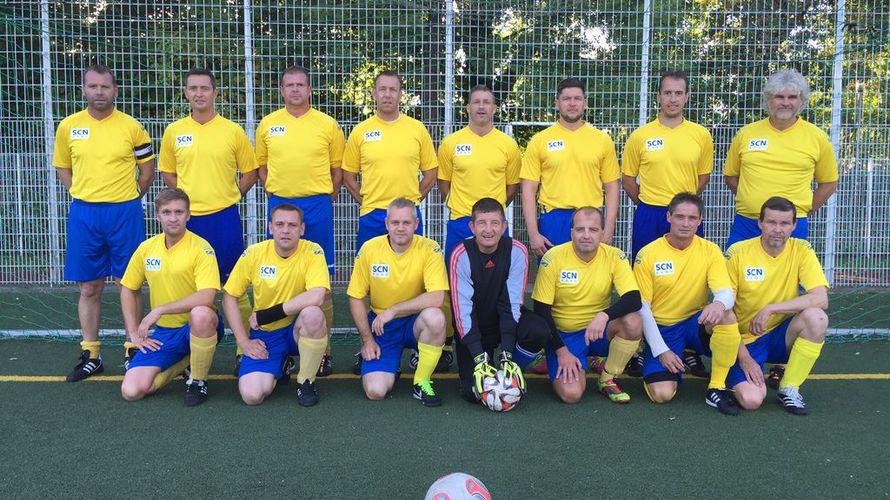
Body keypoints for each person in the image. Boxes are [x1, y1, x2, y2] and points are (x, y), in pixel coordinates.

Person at [53, 64, 155, 382]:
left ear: (115, 90)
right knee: (89, 286)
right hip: (85, 214)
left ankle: (133, 348)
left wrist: (129, 197)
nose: (99, 92)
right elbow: (63, 167)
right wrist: (79, 193)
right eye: (93, 86)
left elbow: (147, 171)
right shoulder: (69, 126)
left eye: (105, 86)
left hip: (124, 213)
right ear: (83, 89)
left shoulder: (132, 127)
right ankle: (91, 354)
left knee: (129, 284)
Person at [158, 68, 257, 373]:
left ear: (216, 93)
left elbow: (250, 171)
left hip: (224, 218)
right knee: (193, 288)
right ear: (186, 94)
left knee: (233, 284)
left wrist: (230, 195)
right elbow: (168, 172)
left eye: (204, 88)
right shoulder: (174, 131)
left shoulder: (232, 131)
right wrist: (186, 204)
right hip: (189, 223)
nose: (199, 93)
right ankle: (192, 351)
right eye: (193, 88)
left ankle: (243, 348)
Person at [255, 64, 344, 377]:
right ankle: (279, 341)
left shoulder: (327, 124)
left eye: (300, 85)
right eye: (289, 85)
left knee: (322, 282)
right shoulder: (268, 124)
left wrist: (322, 199)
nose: (295, 89)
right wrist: (278, 194)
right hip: (281, 203)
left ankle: (323, 351)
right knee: (280, 277)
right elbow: (262, 168)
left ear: (309, 89)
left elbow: (337, 170)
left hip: (317, 205)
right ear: (281, 90)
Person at [634, 193, 741, 415]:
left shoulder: (710, 250)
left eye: (692, 218)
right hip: (663, 329)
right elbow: (642, 308)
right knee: (661, 395)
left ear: (699, 221)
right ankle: (666, 354)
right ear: (669, 217)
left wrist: (719, 304)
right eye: (680, 217)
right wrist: (662, 351)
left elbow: (725, 292)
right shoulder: (648, 254)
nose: (685, 223)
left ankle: (716, 386)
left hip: (695, 323)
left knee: (726, 314)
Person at [724, 197, 829, 415]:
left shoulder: (801, 249)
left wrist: (771, 308)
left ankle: (789, 387)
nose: (778, 229)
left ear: (793, 226)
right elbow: (724, 312)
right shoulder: (738, 252)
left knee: (817, 317)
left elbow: (821, 298)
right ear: (760, 223)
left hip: (781, 335)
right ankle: (733, 371)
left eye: (784, 223)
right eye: (771, 222)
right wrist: (744, 358)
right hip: (745, 340)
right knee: (751, 400)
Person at [222, 204, 331, 406]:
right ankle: (282, 365)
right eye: (280, 224)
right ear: (270, 228)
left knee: (313, 314)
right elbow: (229, 297)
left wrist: (268, 314)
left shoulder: (313, 251)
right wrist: (244, 342)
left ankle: (306, 381)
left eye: (292, 225)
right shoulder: (254, 253)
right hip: (266, 335)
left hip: (297, 330)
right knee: (252, 396)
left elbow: (317, 295)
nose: (285, 230)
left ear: (302, 229)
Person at [119, 188, 220, 406]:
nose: (173, 218)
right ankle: (185, 361)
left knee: (201, 314)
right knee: (131, 391)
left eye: (178, 212)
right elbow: (127, 288)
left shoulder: (202, 249)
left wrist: (160, 309)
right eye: (166, 212)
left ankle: (198, 380)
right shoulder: (146, 248)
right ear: (158, 216)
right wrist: (133, 333)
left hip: (197, 327)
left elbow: (207, 296)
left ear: (188, 215)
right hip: (164, 333)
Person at [532, 207, 643, 404]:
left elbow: (634, 298)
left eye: (593, 230)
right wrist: (561, 351)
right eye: (580, 229)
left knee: (633, 321)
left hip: (597, 331)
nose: (586, 235)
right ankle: (560, 358)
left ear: (602, 233)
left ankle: (608, 378)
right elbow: (541, 311)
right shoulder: (553, 257)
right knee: (571, 394)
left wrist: (604, 315)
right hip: (565, 337)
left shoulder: (615, 256)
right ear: (571, 232)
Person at [347, 198, 449, 406]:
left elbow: (437, 296)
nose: (400, 228)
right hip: (382, 326)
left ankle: (421, 381)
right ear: (387, 224)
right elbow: (356, 297)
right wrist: (367, 340)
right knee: (375, 391)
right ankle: (390, 364)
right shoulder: (370, 249)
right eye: (395, 222)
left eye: (406, 223)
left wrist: (394, 309)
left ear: (416, 224)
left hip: (414, 322)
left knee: (436, 317)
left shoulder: (430, 249)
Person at [724, 69, 838, 248]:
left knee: (790, 268)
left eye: (792, 97)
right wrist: (750, 198)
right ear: (768, 99)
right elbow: (731, 176)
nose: (785, 102)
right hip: (747, 223)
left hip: (791, 227)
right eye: (779, 97)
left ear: (802, 100)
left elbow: (829, 183)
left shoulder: (817, 137)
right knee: (735, 266)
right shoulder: (746, 134)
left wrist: (802, 211)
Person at [449, 198, 549, 404]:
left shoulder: (517, 250)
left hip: (505, 320)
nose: (488, 230)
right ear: (472, 227)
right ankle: (485, 363)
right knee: (473, 394)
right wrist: (479, 357)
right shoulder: (460, 253)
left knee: (538, 330)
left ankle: (511, 370)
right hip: (475, 324)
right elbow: (462, 311)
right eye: (482, 223)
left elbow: (511, 305)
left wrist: (507, 354)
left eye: (494, 223)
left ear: (504, 226)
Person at [520, 77, 620, 258]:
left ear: (585, 103)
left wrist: (609, 229)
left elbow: (612, 187)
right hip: (553, 219)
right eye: (566, 99)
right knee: (554, 273)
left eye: (577, 98)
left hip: (590, 218)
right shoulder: (540, 140)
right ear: (557, 104)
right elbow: (528, 190)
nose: (572, 103)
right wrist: (533, 234)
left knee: (591, 274)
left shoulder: (602, 140)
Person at [621, 70, 713, 261]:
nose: (673, 99)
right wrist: (647, 203)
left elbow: (703, 177)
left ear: (687, 97)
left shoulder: (701, 135)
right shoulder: (640, 136)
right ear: (658, 96)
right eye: (667, 93)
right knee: (645, 266)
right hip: (649, 213)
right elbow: (628, 179)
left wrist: (683, 202)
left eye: (678, 93)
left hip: (686, 214)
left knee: (690, 268)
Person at [342, 70, 437, 253]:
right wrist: (367, 202)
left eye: (393, 90)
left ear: (400, 95)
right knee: (370, 267)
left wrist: (412, 202)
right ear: (374, 94)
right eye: (382, 89)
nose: (387, 94)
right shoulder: (360, 131)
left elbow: (431, 174)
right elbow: (348, 176)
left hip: (407, 215)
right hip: (372, 214)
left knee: (411, 267)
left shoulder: (417, 129)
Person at [438, 84, 520, 264]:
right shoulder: (450, 143)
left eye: (486, 102)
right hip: (460, 220)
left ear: (494, 108)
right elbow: (443, 182)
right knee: (455, 276)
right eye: (476, 102)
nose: (481, 106)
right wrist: (459, 205)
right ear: (468, 107)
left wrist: (493, 211)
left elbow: (513, 186)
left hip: (494, 224)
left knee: (497, 276)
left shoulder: (509, 145)